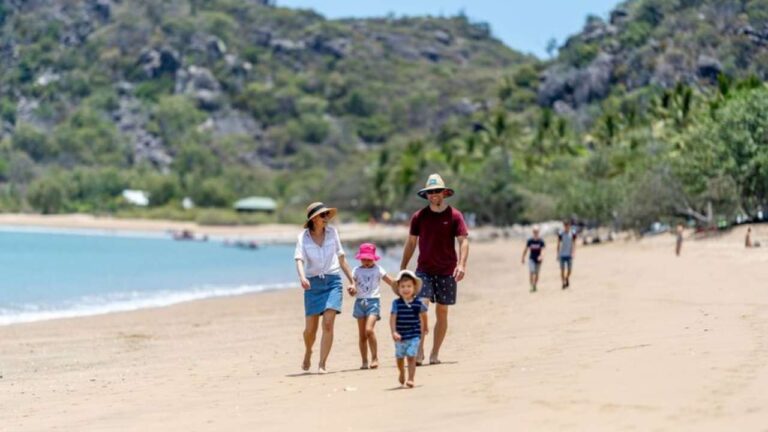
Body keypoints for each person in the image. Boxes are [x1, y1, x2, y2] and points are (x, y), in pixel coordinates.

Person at [400, 173, 469, 366]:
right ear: (426, 195)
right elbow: (411, 242)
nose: (434, 195)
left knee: (442, 312)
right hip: (424, 271)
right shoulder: (419, 217)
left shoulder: (455, 216)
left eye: (437, 191)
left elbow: (463, 241)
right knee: (421, 308)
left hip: (447, 271)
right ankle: (420, 350)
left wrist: (461, 264)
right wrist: (403, 267)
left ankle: (434, 353)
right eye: (430, 192)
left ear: (444, 193)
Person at [294, 202, 355, 374]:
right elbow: (299, 259)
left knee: (328, 324)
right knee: (309, 331)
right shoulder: (303, 237)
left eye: (327, 214)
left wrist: (352, 280)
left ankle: (322, 364)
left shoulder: (333, 233)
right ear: (313, 219)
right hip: (312, 284)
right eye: (322, 215)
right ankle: (308, 351)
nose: (326, 218)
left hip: (333, 281)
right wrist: (302, 277)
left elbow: (341, 258)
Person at [346, 243, 395, 370]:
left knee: (369, 330)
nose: (366, 262)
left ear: (374, 258)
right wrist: (351, 290)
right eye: (364, 259)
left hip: (373, 302)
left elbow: (391, 282)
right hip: (359, 303)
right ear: (360, 258)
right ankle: (364, 361)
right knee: (362, 335)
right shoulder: (356, 270)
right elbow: (353, 287)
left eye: (369, 259)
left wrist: (402, 289)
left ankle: (375, 357)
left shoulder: (378, 269)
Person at [390, 270, 428, 389]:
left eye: (408, 286)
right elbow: (392, 318)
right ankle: (402, 372)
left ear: (414, 287)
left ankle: (411, 379)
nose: (406, 289)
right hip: (400, 336)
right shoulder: (396, 303)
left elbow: (424, 315)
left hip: (414, 334)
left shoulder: (418, 303)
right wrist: (394, 331)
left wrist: (425, 326)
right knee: (400, 357)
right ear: (398, 289)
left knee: (411, 356)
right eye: (403, 287)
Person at [521, 225, 545, 292]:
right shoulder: (530, 241)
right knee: (531, 272)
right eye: (534, 231)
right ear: (533, 232)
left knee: (537, 274)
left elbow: (543, 250)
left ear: (538, 232)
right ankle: (531, 285)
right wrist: (523, 257)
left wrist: (541, 256)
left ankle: (535, 285)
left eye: (537, 231)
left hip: (538, 260)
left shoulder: (541, 241)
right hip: (531, 259)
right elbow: (526, 249)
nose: (535, 232)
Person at [557, 220, 577, 289]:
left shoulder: (573, 233)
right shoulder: (561, 233)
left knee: (569, 270)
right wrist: (558, 253)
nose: (566, 227)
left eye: (567, 225)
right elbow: (559, 243)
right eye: (565, 225)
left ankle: (566, 278)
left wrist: (573, 252)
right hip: (562, 254)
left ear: (569, 226)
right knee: (562, 270)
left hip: (569, 254)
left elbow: (574, 243)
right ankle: (563, 283)